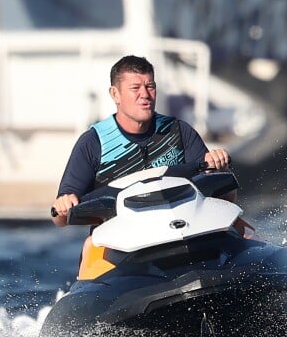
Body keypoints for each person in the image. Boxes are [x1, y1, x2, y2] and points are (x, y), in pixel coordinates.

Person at [51, 55, 232, 229]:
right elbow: (60, 220)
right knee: (90, 244)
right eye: (135, 88)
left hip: (179, 229)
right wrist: (63, 205)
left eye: (150, 86)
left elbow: (226, 200)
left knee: (241, 230)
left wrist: (220, 170)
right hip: (121, 241)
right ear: (115, 94)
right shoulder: (93, 142)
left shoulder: (179, 131)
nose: (145, 94)